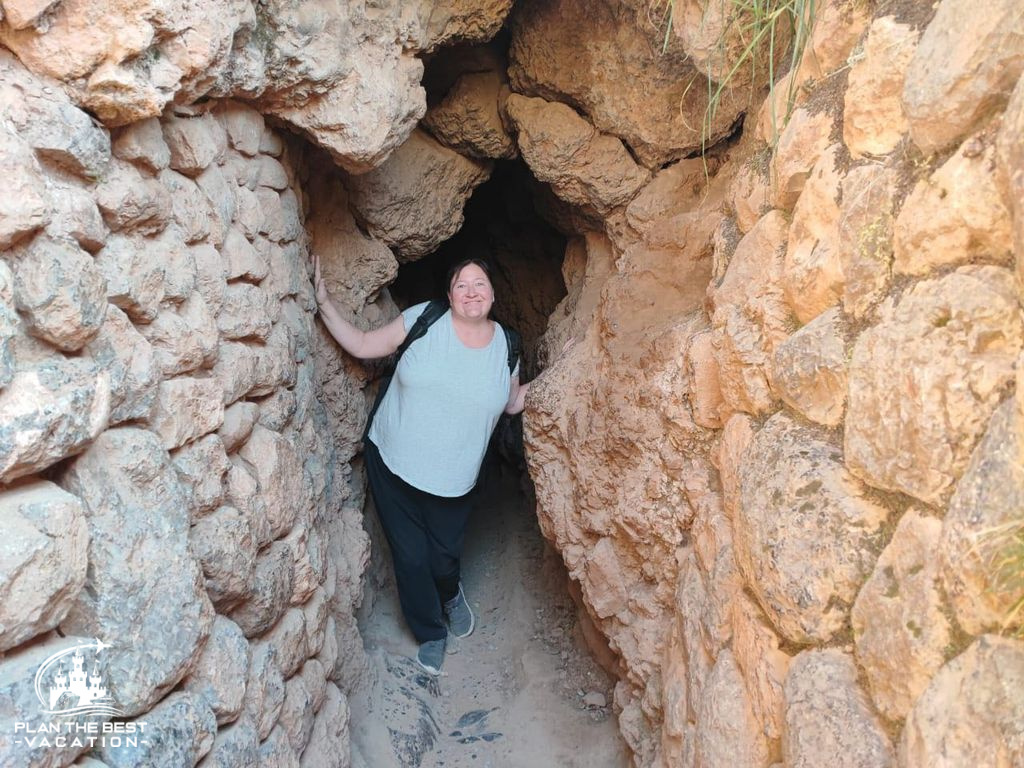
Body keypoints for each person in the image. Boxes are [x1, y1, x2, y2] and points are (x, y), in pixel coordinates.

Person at [313, 254, 530, 675]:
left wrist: (558, 377)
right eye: (462, 285)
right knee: (411, 559)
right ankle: (431, 632)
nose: (471, 292)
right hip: (393, 462)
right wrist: (324, 304)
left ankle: (451, 593)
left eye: (479, 283)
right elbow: (361, 344)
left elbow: (510, 403)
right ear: (449, 295)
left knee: (443, 557)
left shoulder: (508, 346)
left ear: (493, 293)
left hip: (455, 480)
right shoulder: (424, 320)